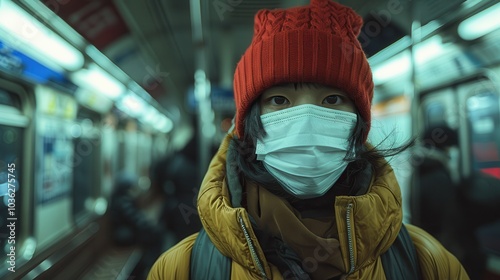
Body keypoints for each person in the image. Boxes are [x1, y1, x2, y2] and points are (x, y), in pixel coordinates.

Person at [147, 0, 469, 279]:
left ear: (358, 123)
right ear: (249, 125)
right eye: (280, 100)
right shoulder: (182, 269)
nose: (307, 121)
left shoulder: (429, 265)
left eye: (331, 100)